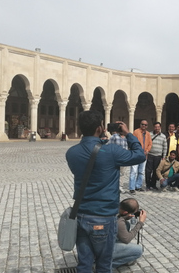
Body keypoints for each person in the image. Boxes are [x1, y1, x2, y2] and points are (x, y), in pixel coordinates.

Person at [66, 110, 145, 272]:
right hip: (104, 217)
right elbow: (139, 155)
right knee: (103, 264)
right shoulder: (111, 151)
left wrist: (98, 143)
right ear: (99, 128)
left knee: (84, 264)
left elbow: (90, 160)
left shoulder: (71, 153)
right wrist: (128, 134)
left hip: (81, 215)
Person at [112, 198, 147, 268]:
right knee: (138, 250)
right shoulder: (119, 222)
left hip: (99, 242)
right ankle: (103, 265)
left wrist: (125, 217)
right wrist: (140, 223)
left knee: (127, 224)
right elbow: (127, 239)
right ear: (125, 212)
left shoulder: (114, 209)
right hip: (104, 248)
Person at [145, 122, 167, 191]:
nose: (157, 128)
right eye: (155, 127)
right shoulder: (149, 134)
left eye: (158, 127)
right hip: (150, 155)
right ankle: (148, 185)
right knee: (148, 171)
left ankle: (153, 184)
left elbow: (165, 147)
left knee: (156, 171)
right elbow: (147, 143)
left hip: (158, 156)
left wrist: (164, 156)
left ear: (160, 127)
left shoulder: (163, 136)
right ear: (153, 127)